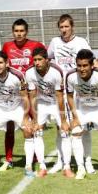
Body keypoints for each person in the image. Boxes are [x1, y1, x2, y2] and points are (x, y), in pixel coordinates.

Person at [47, 14, 94, 174]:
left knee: (84, 126)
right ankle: (62, 162)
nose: (64, 30)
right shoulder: (54, 42)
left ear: (72, 27)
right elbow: (48, 60)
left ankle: (87, 161)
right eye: (61, 27)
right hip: (60, 91)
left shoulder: (81, 42)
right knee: (61, 127)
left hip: (79, 90)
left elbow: (89, 62)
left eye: (67, 26)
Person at [0, 18, 45, 171]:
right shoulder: (7, 46)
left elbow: (44, 63)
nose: (19, 34)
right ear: (13, 32)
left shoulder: (36, 45)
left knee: (33, 124)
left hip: (32, 91)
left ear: (26, 32)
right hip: (13, 92)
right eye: (16, 31)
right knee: (10, 126)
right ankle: (9, 158)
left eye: (22, 31)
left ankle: (35, 158)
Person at [66, 49, 98, 180]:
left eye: (85, 65)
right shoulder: (70, 76)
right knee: (76, 132)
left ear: (92, 65)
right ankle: (81, 167)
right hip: (81, 109)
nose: (81, 69)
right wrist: (75, 118)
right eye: (79, 65)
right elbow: (70, 96)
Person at [25, 47, 74, 178]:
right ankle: (42, 166)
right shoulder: (29, 73)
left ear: (47, 60)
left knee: (64, 132)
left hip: (56, 104)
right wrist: (34, 120)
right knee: (37, 132)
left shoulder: (56, 72)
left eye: (40, 59)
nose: (37, 62)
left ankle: (67, 166)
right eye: (34, 60)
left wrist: (63, 121)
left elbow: (59, 97)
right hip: (41, 104)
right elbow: (32, 96)